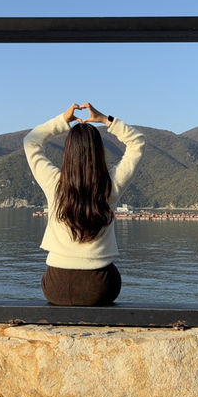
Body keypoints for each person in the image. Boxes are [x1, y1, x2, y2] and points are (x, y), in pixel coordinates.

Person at [23, 102, 146, 306]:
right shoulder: (109, 187)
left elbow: (31, 142)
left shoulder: (55, 184)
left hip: (56, 287)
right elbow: (137, 143)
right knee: (111, 271)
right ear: (99, 152)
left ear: (68, 153)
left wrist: (62, 120)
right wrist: (106, 121)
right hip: (99, 287)